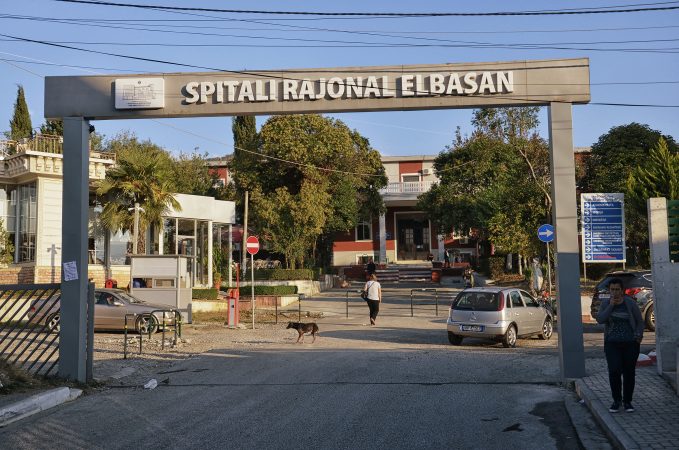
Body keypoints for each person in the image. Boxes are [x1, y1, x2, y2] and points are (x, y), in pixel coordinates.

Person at [596, 277, 644, 413]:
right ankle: (616, 400)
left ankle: (627, 401)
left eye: (617, 289)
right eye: (612, 290)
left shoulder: (630, 303)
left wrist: (638, 336)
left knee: (629, 372)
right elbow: (600, 319)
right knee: (614, 371)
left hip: (630, 343)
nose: (615, 292)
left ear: (622, 290)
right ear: (609, 291)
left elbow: (639, 321)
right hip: (612, 343)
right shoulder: (606, 304)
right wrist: (611, 305)